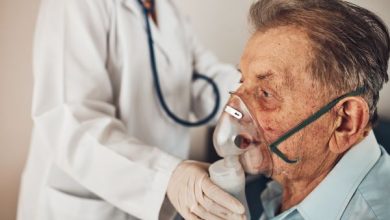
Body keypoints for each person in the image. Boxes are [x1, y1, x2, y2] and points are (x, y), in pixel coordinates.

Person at [17, 0, 246, 219]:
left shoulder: (166, 8)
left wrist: (254, 98)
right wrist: (166, 176)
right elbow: (71, 120)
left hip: (156, 195)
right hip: (87, 201)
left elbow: (204, 81)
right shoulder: (75, 4)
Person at [232, 0, 390, 219]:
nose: (235, 111)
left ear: (345, 122)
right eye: (242, 81)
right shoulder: (288, 183)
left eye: (266, 93)